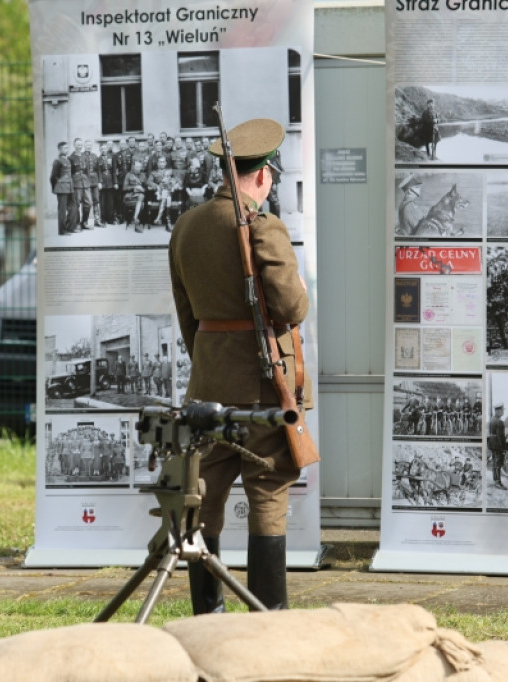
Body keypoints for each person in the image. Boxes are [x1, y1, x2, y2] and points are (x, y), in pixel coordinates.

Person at [169, 117, 310, 613]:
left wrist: (211, 366)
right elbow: (292, 307)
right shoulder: (263, 225)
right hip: (264, 391)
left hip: (207, 390)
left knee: (202, 499)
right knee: (268, 493)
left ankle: (208, 615)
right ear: (264, 175)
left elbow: (188, 316)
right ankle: (268, 617)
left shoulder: (186, 226)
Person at [49, 141, 75, 235]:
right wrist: (55, 188)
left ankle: (69, 227)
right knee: (62, 210)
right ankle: (62, 230)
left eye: (68, 148)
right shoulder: (57, 161)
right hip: (62, 188)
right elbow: (53, 177)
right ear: (60, 149)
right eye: (65, 148)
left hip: (70, 187)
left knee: (73, 207)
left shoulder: (67, 160)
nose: (67, 150)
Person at [69, 139, 92, 229]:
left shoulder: (85, 157)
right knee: (77, 204)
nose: (80, 146)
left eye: (81, 145)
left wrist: (88, 181)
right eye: (78, 145)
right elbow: (70, 173)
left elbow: (88, 170)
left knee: (88, 203)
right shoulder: (71, 158)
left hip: (85, 182)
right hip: (76, 182)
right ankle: (77, 224)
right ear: (74, 145)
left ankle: (84, 222)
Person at [488, 403, 506, 490]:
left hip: (491, 444)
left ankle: (495, 480)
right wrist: (503, 448)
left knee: (495, 462)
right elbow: (500, 437)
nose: (503, 412)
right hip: (497, 445)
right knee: (498, 463)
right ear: (498, 411)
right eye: (502, 410)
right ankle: (498, 482)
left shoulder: (492, 419)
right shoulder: (499, 421)